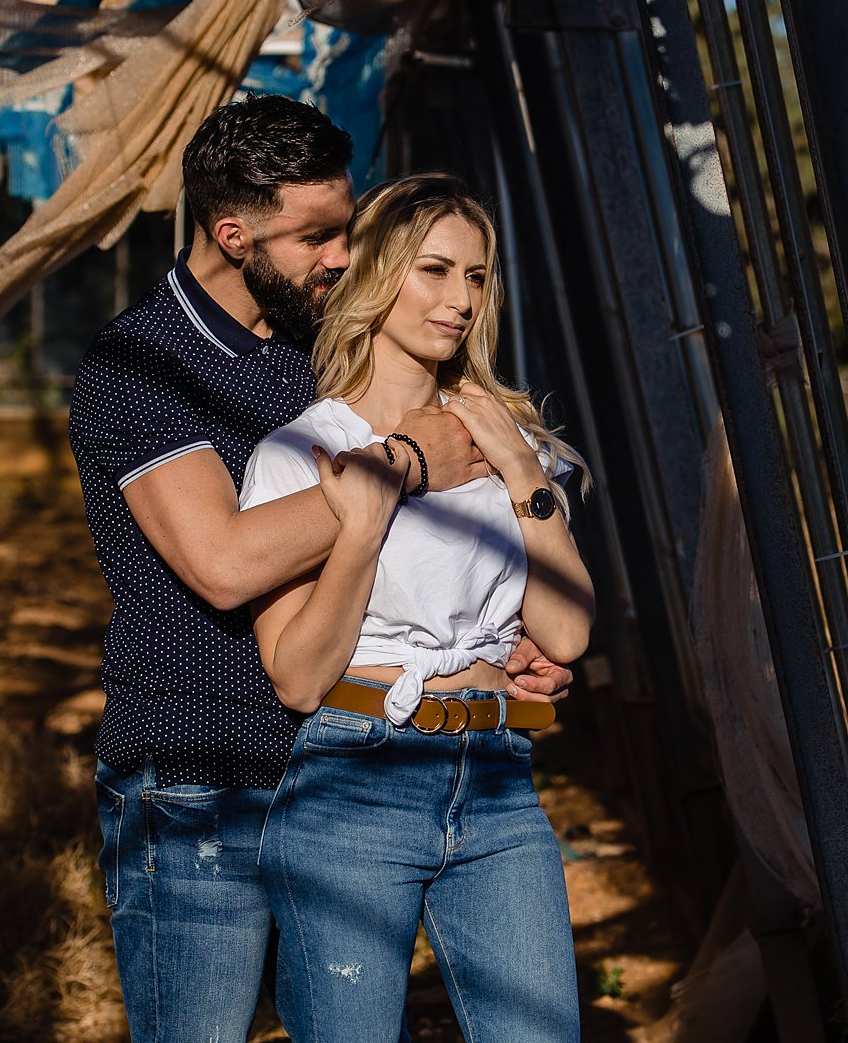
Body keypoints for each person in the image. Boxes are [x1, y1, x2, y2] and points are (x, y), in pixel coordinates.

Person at [66, 98, 573, 1043]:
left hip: (349, 758)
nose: (343, 255)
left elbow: (402, 554)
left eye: (347, 228)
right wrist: (399, 467)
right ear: (233, 233)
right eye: (319, 235)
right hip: (201, 771)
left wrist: (484, 648)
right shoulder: (144, 363)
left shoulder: (316, 344)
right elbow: (221, 563)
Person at [238, 173, 594, 1043]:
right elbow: (296, 676)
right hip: (354, 777)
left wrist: (519, 471)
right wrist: (363, 523)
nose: (460, 299)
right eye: (434, 270)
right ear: (377, 274)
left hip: (499, 776)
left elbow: (567, 632)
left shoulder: (518, 444)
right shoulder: (301, 452)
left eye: (476, 277)